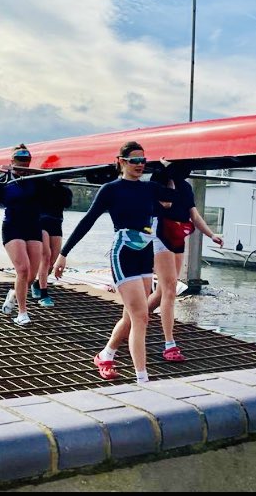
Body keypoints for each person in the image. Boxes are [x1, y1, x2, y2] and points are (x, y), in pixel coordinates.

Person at [52, 141, 177, 384]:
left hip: (144, 254)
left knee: (132, 317)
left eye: (143, 161)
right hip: (123, 255)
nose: (140, 165)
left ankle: (105, 355)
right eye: (135, 161)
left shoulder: (149, 188)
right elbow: (87, 221)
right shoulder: (111, 189)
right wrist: (63, 253)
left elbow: (173, 196)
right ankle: (143, 379)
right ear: (121, 161)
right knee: (141, 316)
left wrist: (166, 170)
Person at [148, 162, 223, 361]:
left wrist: (211, 235)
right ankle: (169, 344)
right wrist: (168, 178)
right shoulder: (157, 181)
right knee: (170, 290)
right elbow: (166, 204)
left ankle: (135, 318)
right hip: (160, 234)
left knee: (163, 291)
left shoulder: (186, 186)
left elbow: (194, 215)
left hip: (178, 235)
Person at [0, 144, 46, 326]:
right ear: (12, 161)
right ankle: (22, 313)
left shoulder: (38, 180)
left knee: (31, 275)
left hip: (33, 227)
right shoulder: (0, 183)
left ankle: (14, 293)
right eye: (20, 161)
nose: (24, 164)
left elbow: (57, 197)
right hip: (12, 227)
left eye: (27, 161)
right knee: (22, 269)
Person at [31, 178, 73, 307]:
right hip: (41, 222)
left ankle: (37, 284)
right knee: (46, 256)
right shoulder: (40, 185)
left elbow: (67, 204)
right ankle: (44, 295)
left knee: (53, 260)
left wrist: (61, 186)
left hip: (56, 223)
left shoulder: (65, 190)